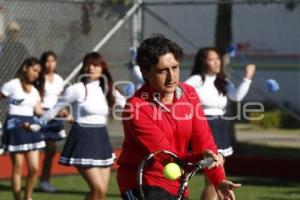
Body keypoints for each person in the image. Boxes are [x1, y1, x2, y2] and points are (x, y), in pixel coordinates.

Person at [117, 35, 241, 200]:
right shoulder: (136, 107)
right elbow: (166, 156)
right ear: (145, 72)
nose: (171, 77)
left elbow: (204, 141)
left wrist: (218, 179)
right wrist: (200, 157)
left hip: (177, 182)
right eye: (162, 71)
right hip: (141, 183)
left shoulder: (189, 93)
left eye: (174, 68)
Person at [41, 52, 126, 200]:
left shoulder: (108, 89)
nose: (92, 68)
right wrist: (37, 124)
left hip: (101, 139)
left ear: (102, 68)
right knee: (97, 188)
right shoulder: (77, 89)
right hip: (82, 139)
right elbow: (55, 109)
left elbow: (128, 106)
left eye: (96, 65)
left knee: (101, 192)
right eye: (88, 64)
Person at [185, 47, 255, 200]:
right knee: (212, 178)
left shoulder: (223, 80)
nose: (217, 62)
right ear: (203, 62)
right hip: (203, 126)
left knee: (215, 177)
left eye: (218, 59)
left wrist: (248, 77)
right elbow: (179, 92)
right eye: (211, 59)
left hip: (220, 126)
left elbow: (236, 96)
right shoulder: (197, 79)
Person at [0, 57, 45, 200]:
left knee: (34, 168)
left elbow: (39, 111)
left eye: (38, 72)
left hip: (30, 127)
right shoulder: (12, 84)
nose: (36, 74)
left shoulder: (35, 91)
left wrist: (59, 112)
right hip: (15, 125)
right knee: (18, 167)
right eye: (34, 70)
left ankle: (28, 197)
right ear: (25, 67)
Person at [35, 51, 65, 192]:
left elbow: (60, 99)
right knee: (34, 149)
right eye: (47, 61)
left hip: (55, 115)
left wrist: (63, 111)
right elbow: (35, 99)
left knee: (51, 149)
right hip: (40, 115)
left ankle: (44, 180)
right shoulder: (38, 78)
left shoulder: (59, 79)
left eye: (52, 60)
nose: (50, 64)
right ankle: (34, 176)